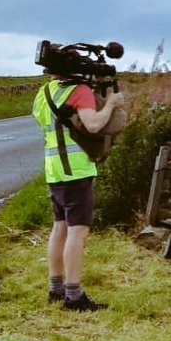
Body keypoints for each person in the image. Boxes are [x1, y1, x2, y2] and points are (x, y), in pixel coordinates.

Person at [32, 77, 124, 311]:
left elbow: (41, 120)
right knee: (78, 231)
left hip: (54, 169)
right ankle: (73, 296)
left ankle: (56, 288)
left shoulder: (46, 90)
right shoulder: (79, 91)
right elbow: (93, 125)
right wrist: (111, 103)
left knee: (60, 227)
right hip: (76, 171)